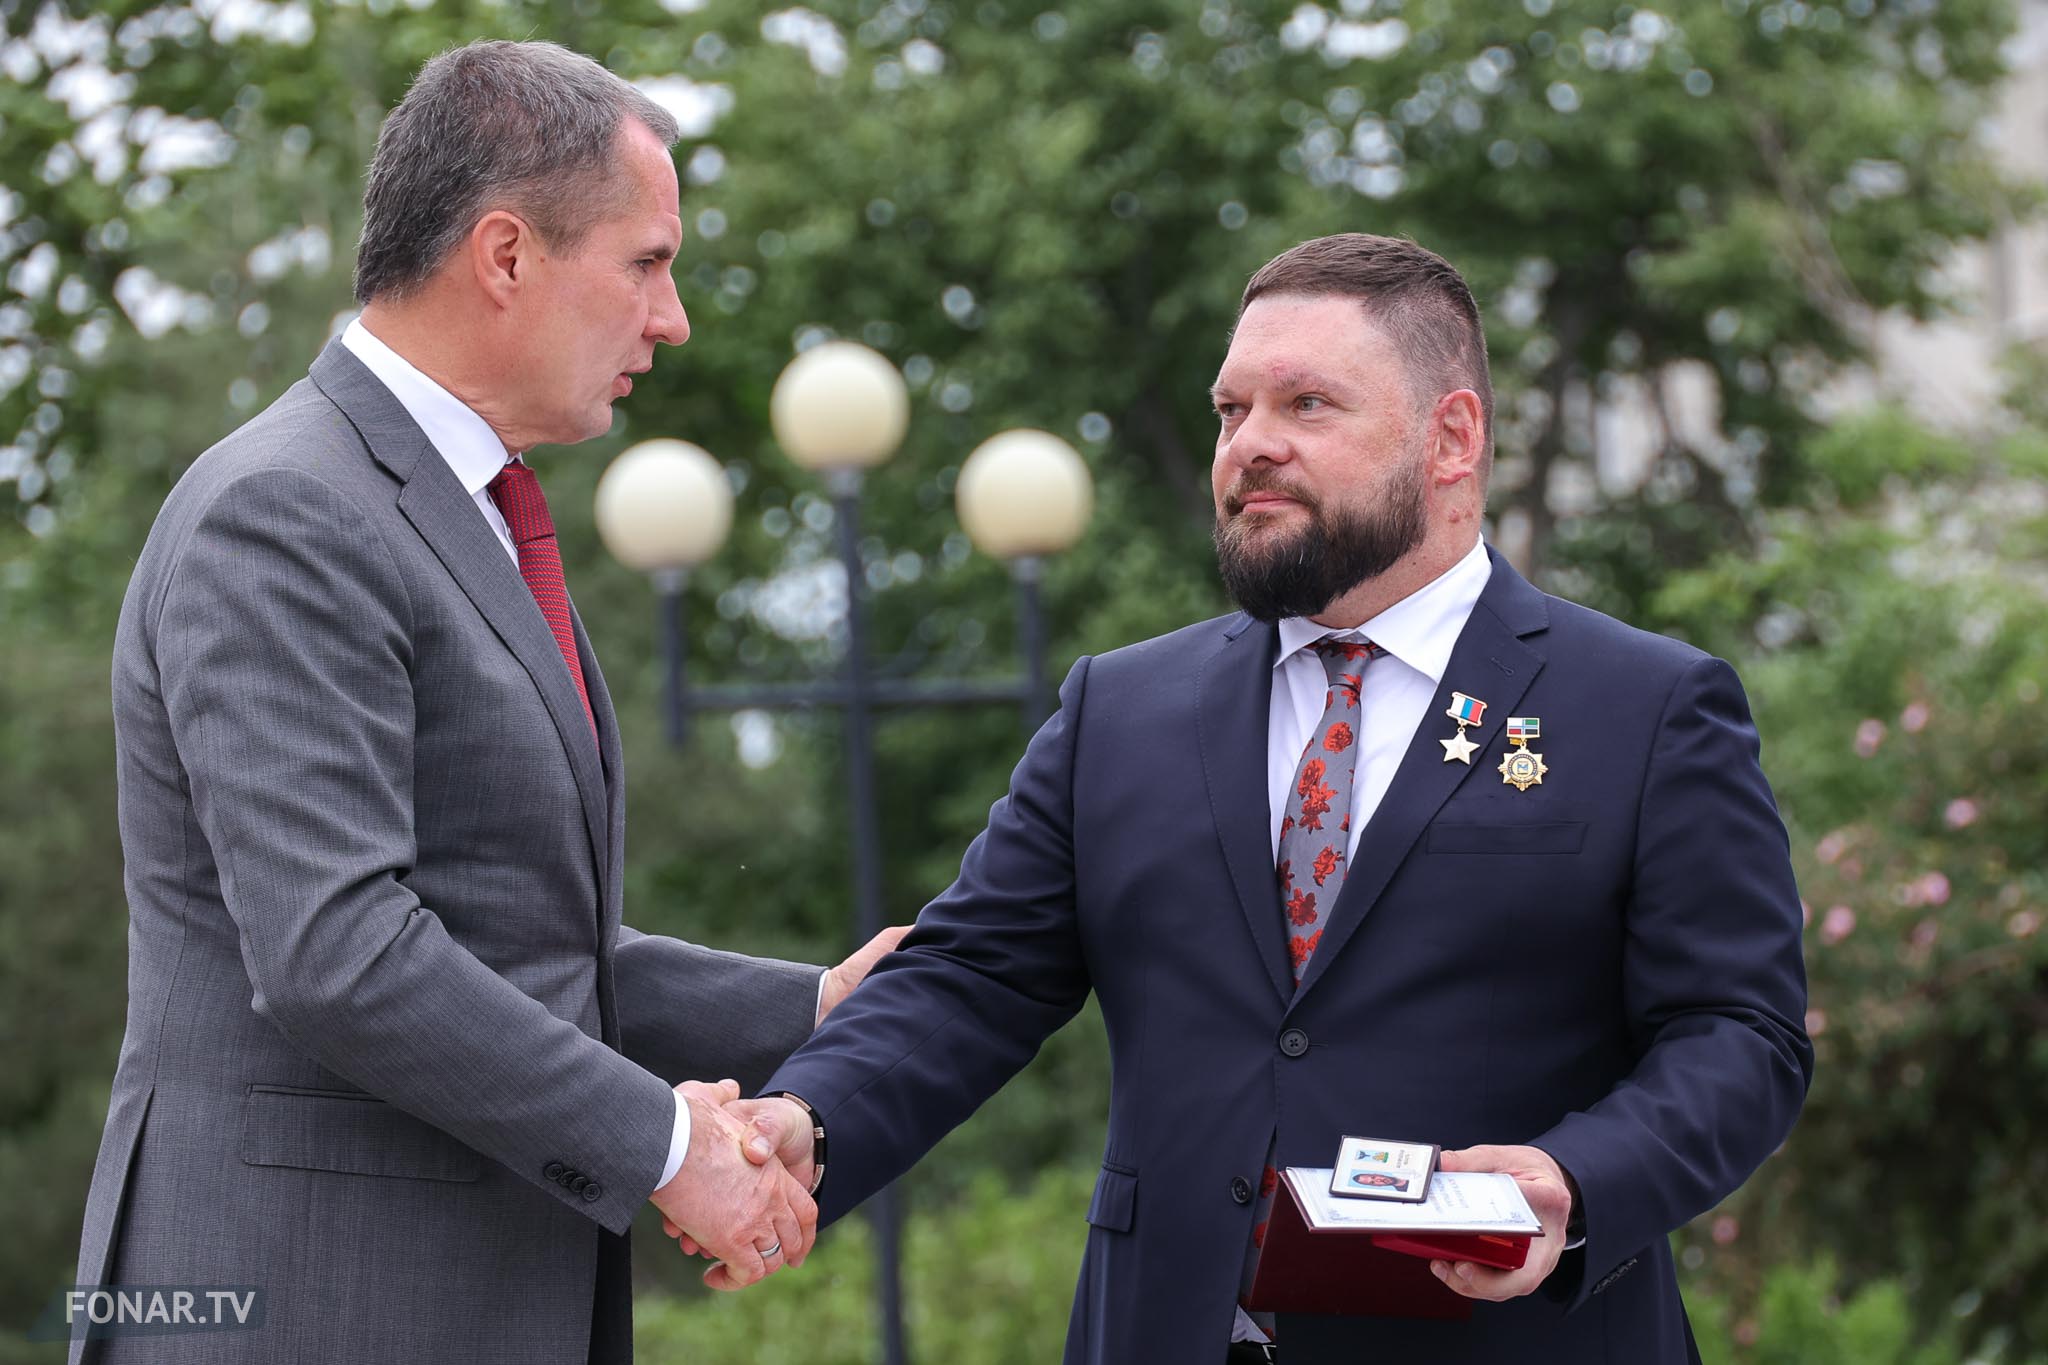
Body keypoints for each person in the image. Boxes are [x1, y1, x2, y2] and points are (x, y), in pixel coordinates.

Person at [724, 233, 1813, 1363]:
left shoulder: (1645, 706)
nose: (1250, 445)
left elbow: (1741, 1035)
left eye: (1306, 404)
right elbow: (972, 975)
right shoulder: (1120, 709)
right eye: (1229, 411)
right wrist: (809, 1119)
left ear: (1451, 438)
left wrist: (1571, 1180)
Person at [70, 39, 900, 1365]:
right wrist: (671, 1147)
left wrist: (810, 1008)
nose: (672, 319)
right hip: (303, 1309)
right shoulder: (285, 510)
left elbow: (511, 938)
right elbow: (341, 952)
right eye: (646, 264)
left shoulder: (458, 512)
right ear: (505, 254)